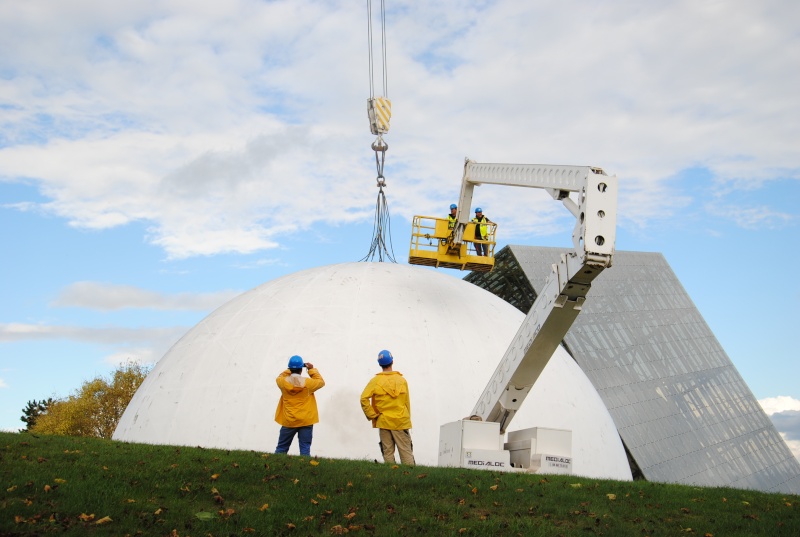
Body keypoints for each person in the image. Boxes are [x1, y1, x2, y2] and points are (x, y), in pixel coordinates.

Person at [360, 349, 415, 465]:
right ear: (392, 361)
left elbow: (363, 398)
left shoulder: (375, 381)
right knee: (406, 453)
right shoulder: (402, 380)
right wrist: (406, 419)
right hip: (401, 422)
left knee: (388, 453)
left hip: (384, 421)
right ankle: (411, 479)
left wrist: (372, 415)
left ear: (379, 364)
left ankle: (391, 477)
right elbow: (407, 403)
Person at [274, 355, 325, 456]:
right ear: (301, 370)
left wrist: (290, 369)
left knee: (281, 448)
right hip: (306, 420)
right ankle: (305, 469)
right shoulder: (308, 383)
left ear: (290, 369)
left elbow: (280, 376)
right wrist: (311, 369)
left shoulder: (282, 382)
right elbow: (321, 382)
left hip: (289, 420)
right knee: (305, 449)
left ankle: (276, 467)